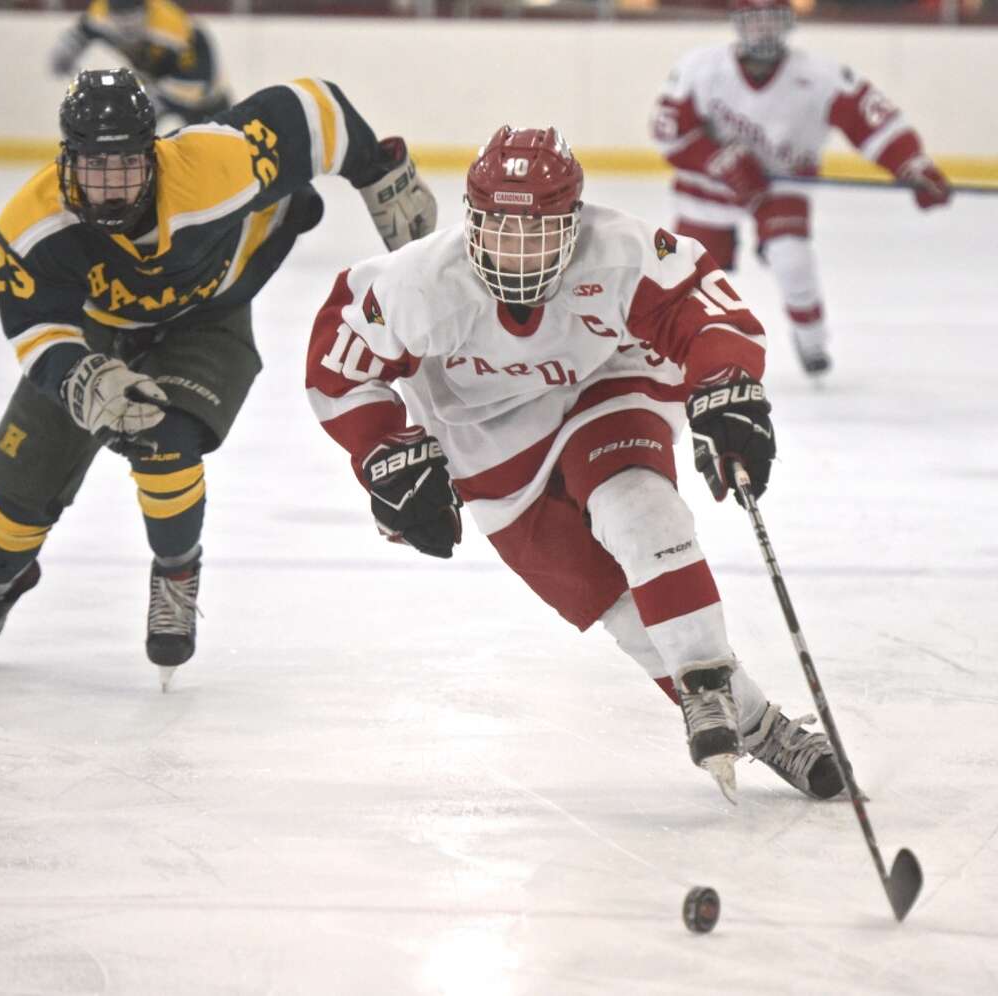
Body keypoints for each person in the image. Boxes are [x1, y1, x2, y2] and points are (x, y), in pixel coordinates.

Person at [305, 125, 844, 802]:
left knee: (639, 506)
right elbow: (340, 364)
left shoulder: (618, 249)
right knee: (617, 606)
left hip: (599, 385)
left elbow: (705, 311)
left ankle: (707, 686)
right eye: (500, 230)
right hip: (484, 440)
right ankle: (761, 725)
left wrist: (725, 385)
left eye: (538, 233)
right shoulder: (420, 281)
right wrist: (383, 448)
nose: (517, 253)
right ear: (471, 220)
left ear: (575, 220)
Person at [0, 68, 437, 689]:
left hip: (210, 316)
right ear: (65, 161)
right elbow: (37, 326)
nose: (109, 188)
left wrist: (378, 172)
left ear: (154, 156)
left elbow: (318, 112)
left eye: (124, 166)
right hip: (98, 329)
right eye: (93, 169)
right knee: (25, 476)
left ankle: (176, 575)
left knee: (165, 439)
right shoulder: (32, 225)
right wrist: (83, 377)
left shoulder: (215, 164)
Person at [650, 0, 951, 376]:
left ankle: (812, 342)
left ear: (788, 23)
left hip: (780, 186)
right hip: (708, 188)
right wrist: (717, 160)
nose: (764, 31)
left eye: (772, 21)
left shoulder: (820, 75)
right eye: (755, 21)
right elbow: (666, 132)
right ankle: (677, 348)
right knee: (688, 277)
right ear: (738, 24)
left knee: (792, 259)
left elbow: (874, 122)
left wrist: (913, 164)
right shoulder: (701, 68)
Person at [49, 0, 232, 127]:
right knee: (130, 131)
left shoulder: (171, 28)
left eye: (132, 21)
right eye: (121, 22)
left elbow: (199, 82)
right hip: (157, 80)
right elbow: (83, 31)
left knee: (213, 137)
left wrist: (157, 97)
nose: (127, 31)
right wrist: (67, 50)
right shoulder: (100, 13)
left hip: (201, 90)